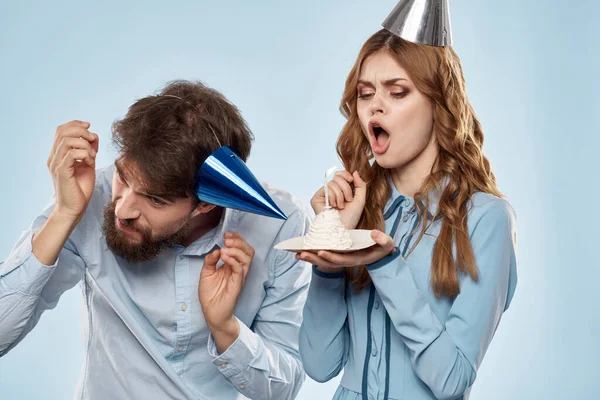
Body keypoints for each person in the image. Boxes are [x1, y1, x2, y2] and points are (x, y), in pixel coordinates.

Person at [0, 80, 311, 400]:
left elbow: (284, 388)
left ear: (206, 203)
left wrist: (224, 329)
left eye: (155, 200)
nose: (123, 209)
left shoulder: (281, 226)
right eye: (123, 176)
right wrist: (64, 214)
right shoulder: (90, 193)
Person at [297, 28, 518, 400]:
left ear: (439, 102)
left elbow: (451, 381)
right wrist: (330, 253)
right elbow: (319, 365)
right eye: (365, 94)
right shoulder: (363, 209)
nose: (374, 107)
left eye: (398, 92)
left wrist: (385, 265)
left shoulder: (486, 219)